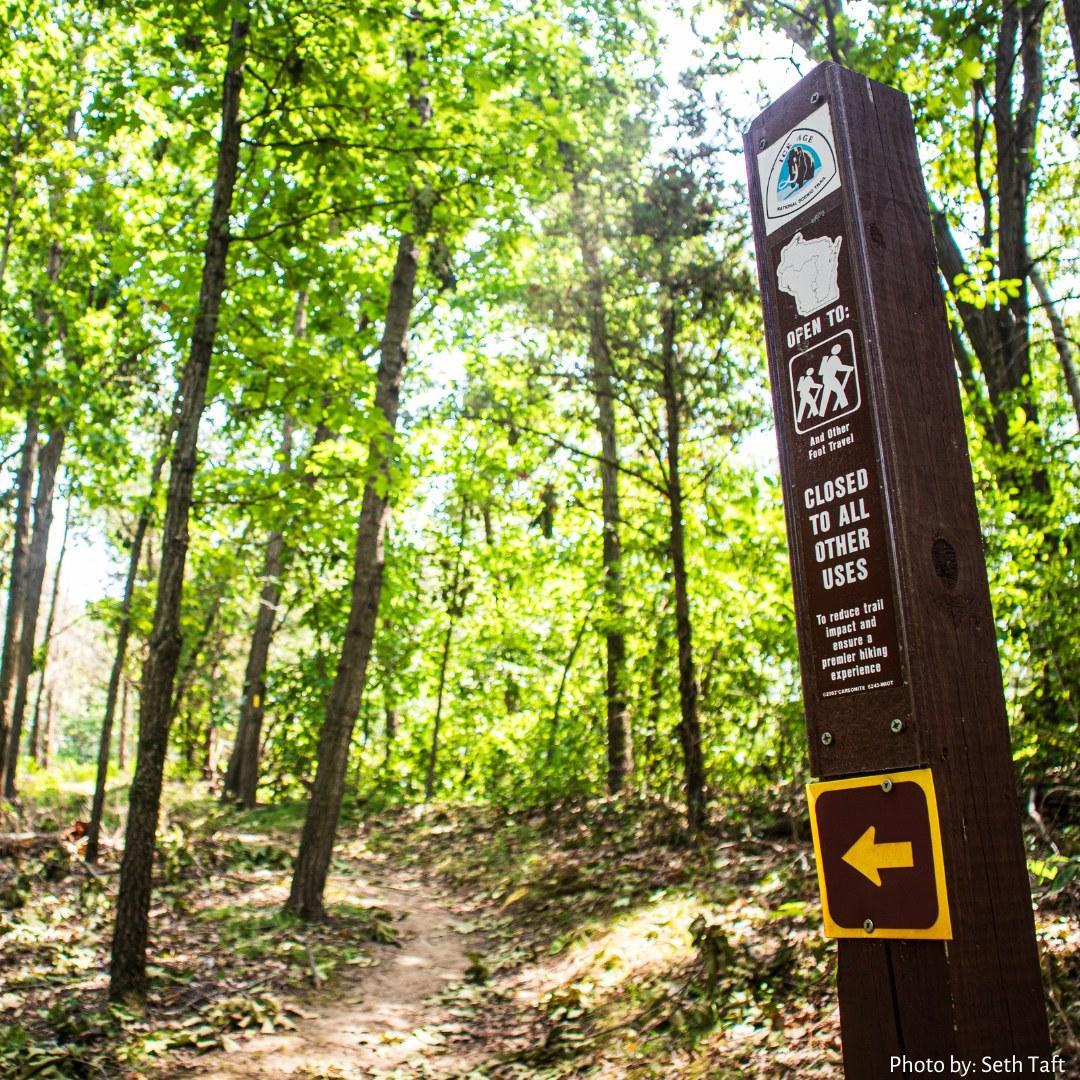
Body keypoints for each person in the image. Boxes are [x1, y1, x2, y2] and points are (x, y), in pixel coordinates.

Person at [818, 343, 853, 414]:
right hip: (830, 378)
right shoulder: (834, 358)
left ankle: (821, 413)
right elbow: (840, 367)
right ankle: (846, 408)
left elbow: (820, 373)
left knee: (825, 395)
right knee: (839, 390)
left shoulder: (826, 359)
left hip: (825, 379)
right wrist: (850, 368)